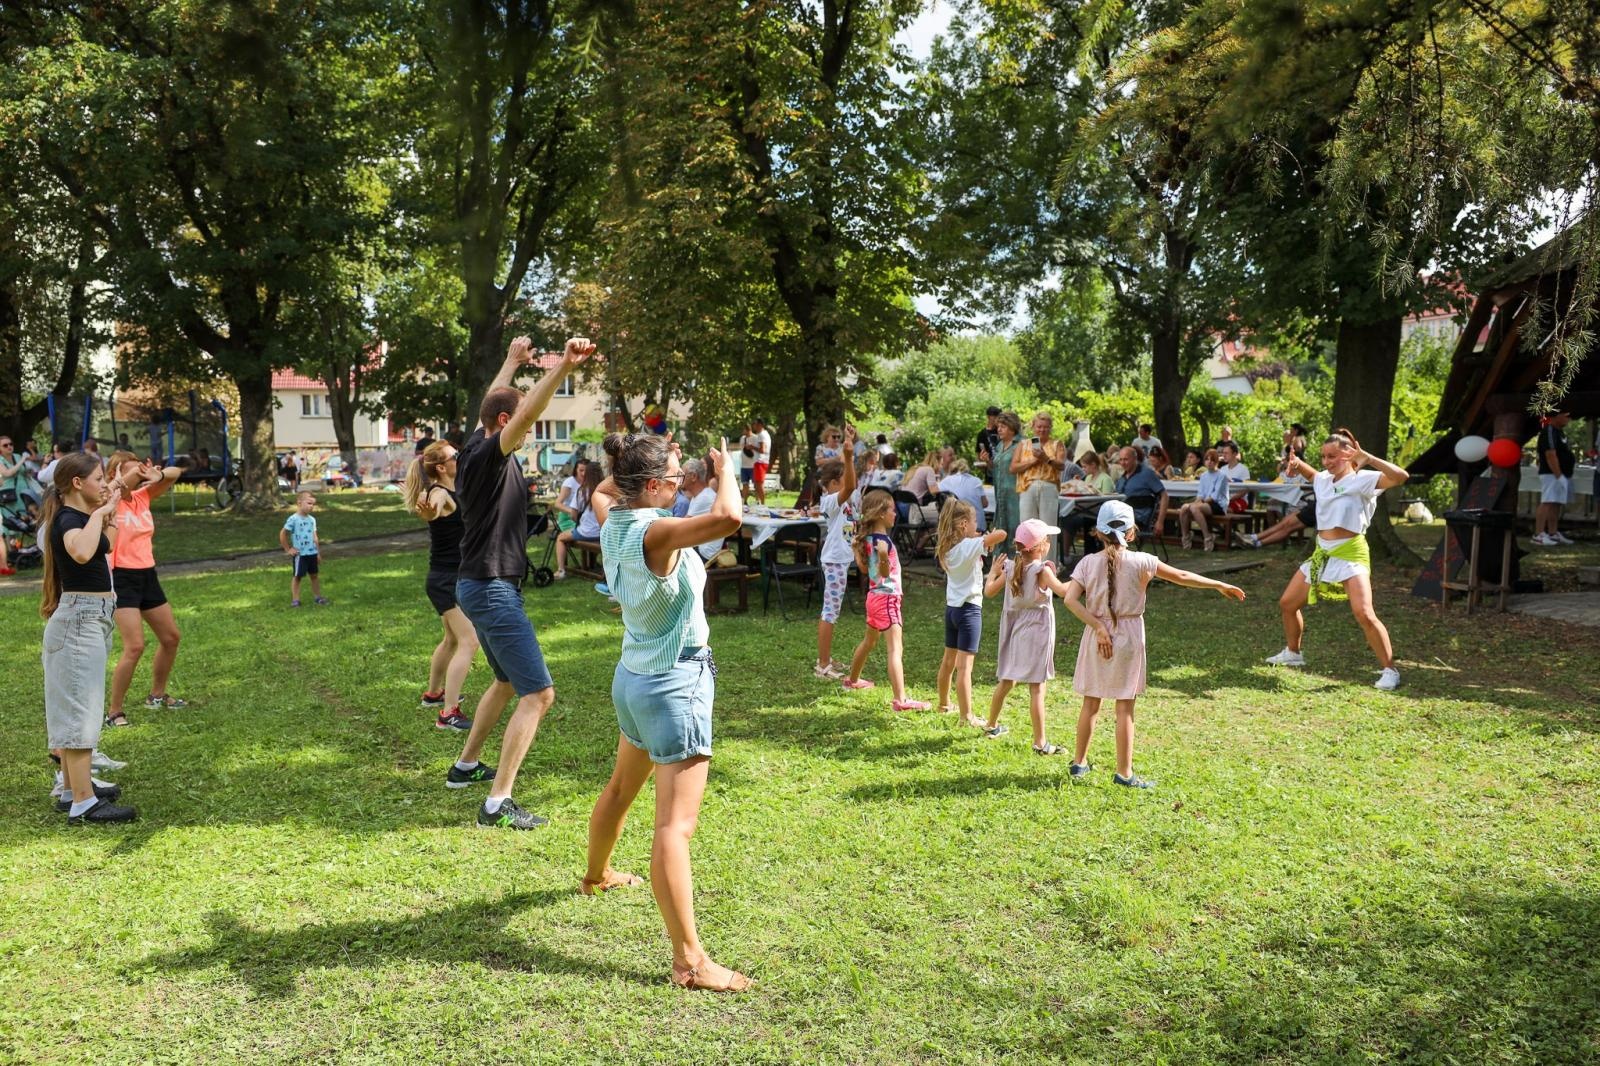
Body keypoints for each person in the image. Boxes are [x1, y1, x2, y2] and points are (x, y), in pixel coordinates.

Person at [582, 432, 752, 992]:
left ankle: (598, 874)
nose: (685, 487)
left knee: (618, 791)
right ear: (652, 486)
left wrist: (640, 457)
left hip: (633, 677)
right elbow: (729, 517)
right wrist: (727, 467)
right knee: (674, 829)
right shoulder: (656, 532)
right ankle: (691, 962)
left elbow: (608, 486)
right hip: (672, 684)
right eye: (676, 480)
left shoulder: (612, 517)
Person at [449, 335, 593, 830]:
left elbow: (498, 401)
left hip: (476, 585)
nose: (529, 433)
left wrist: (510, 361)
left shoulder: (473, 446)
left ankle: (465, 766)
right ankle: (497, 803)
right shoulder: (489, 456)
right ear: (506, 426)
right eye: (520, 426)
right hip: (491, 587)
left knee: (507, 681)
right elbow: (523, 414)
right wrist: (562, 368)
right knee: (539, 693)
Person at [1061, 501, 1244, 788]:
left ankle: (1079, 763)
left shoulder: (1086, 563)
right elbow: (1182, 577)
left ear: (1097, 532)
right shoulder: (1143, 561)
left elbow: (1070, 599)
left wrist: (1097, 627)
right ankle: (1124, 773)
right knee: (1125, 707)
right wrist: (1218, 584)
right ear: (1131, 533)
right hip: (1129, 636)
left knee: (1091, 702)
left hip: (1097, 637)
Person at [1265, 428, 1409, 690]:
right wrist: (1297, 464)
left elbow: (1401, 477)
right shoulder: (1323, 479)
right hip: (1323, 552)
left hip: (1351, 553)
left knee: (1364, 613)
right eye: (1323, 457)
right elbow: (1313, 474)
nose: (1327, 462)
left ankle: (1390, 669)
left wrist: (1370, 458)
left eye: (1332, 456)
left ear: (1348, 454)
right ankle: (1293, 653)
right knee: (1287, 603)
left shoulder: (1363, 479)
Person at [40, 452, 136, 823]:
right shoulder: (67, 518)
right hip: (79, 620)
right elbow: (81, 552)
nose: (103, 483)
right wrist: (99, 513)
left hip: (91, 618)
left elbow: (104, 545)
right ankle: (83, 802)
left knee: (79, 704)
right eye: (98, 478)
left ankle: (70, 790)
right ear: (77, 484)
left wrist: (111, 508)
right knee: (81, 709)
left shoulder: (81, 516)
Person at [105, 452, 186, 728]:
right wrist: (131, 475)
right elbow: (117, 486)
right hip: (121, 578)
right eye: (133, 472)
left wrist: (157, 475)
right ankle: (114, 711)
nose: (139, 476)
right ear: (115, 474)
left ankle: (157, 695)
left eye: (140, 471)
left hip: (147, 575)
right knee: (135, 646)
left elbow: (177, 471)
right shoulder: (108, 500)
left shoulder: (143, 497)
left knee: (171, 637)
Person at [404, 440, 478, 732]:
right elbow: (432, 510)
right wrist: (427, 512)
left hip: (447, 577)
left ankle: (434, 694)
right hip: (446, 580)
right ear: (441, 466)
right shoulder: (438, 492)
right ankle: (449, 713)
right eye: (454, 456)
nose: (459, 458)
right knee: (470, 641)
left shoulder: (455, 489)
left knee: (451, 640)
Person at [982, 518, 1071, 753]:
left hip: (1013, 632)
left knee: (1007, 680)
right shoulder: (1042, 571)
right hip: (1037, 634)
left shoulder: (1011, 567)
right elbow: (1063, 591)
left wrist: (991, 572)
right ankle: (1040, 742)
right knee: (1037, 689)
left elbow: (989, 591)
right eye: (1047, 540)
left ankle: (991, 724)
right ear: (1041, 547)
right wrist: (1086, 577)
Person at [840, 492, 930, 710]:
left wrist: (855, 551)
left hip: (873, 598)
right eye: (891, 509)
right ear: (880, 514)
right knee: (895, 650)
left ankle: (852, 681)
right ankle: (901, 700)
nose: (895, 513)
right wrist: (882, 557)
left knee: (869, 641)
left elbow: (863, 569)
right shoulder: (883, 543)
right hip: (887, 598)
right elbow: (883, 572)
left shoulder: (868, 540)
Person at [935, 499, 1008, 729]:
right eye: (975, 521)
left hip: (952, 610)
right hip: (969, 611)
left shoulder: (948, 549)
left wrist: (976, 537)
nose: (978, 524)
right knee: (964, 668)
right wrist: (985, 535)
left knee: (948, 661)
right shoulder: (969, 546)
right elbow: (1002, 535)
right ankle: (966, 716)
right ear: (963, 524)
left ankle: (944, 703)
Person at [812, 427, 859, 680]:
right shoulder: (831, 500)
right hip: (834, 561)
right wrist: (848, 458)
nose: (849, 482)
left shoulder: (842, 500)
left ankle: (826, 659)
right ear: (832, 484)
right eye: (842, 480)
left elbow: (851, 481)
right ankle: (822, 665)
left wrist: (849, 446)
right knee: (829, 612)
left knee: (832, 611)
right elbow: (851, 485)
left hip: (840, 559)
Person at [1011, 411, 1067, 557]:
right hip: (1028, 486)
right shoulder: (1023, 445)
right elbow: (1013, 468)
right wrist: (1033, 461)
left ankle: (1048, 565)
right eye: (1039, 427)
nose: (1042, 430)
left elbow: (1061, 465)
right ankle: (1025, 563)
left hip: (1048, 486)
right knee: (1027, 526)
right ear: (1033, 427)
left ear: (1050, 428)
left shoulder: (1057, 444)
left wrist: (1046, 459)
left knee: (1048, 527)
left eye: (1046, 427)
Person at [554, 459, 604, 579]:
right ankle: (592, 565)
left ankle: (561, 570)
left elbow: (573, 515)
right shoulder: (606, 491)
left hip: (585, 532)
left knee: (560, 538)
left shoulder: (582, 491)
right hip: (603, 533)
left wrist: (579, 522)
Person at [1534, 411, 1575, 546]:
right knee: (1547, 501)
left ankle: (1553, 532)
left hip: (1562, 473)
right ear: (1556, 416)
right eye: (1566, 415)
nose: (1568, 419)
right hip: (1551, 473)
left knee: (1555, 502)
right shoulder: (1549, 431)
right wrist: (1558, 475)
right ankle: (1538, 534)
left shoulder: (1560, 432)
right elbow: (1550, 454)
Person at [280, 491, 328, 606]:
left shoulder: (312, 520)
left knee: (314, 575)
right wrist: (288, 549)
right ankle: (295, 600)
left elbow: (315, 537)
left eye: (313, 504)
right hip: (300, 554)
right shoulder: (293, 519)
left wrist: (318, 553)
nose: (311, 506)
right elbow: (283, 533)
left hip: (312, 553)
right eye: (309, 503)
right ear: (299, 503)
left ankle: (317, 597)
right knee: (298, 576)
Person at [1176, 448, 1230, 551]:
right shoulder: (1204, 476)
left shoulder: (1222, 476)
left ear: (1216, 462)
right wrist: (1194, 503)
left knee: (1195, 508)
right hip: (1204, 503)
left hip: (1218, 504)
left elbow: (1215, 496)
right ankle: (1186, 536)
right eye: (1207, 459)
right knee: (1184, 508)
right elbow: (1200, 494)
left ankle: (1207, 537)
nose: (1209, 462)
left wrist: (1197, 504)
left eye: (1212, 460)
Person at [680, 459, 731, 564]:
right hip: (701, 548)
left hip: (705, 553)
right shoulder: (700, 496)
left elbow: (681, 526)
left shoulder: (704, 497)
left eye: (682, 475)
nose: (679, 479)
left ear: (693, 476)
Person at [1114, 446, 1167, 534]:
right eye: (1121, 460)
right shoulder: (1122, 478)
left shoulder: (1146, 474)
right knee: (1092, 520)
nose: (1123, 463)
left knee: (1106, 524)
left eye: (1126, 459)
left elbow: (1164, 495)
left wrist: (1160, 522)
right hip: (1121, 515)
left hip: (1139, 519)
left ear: (1135, 459)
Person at [989, 412, 1022, 549]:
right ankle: (1000, 564)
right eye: (998, 426)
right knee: (1000, 526)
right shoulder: (1000, 445)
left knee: (1014, 527)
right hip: (1000, 494)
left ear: (1012, 427)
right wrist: (988, 462)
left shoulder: (1021, 444)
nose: (999, 429)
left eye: (1003, 426)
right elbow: (996, 468)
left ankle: (1015, 563)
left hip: (1015, 495)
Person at [937, 459, 987, 530]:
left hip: (958, 527)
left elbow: (935, 490)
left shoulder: (947, 480)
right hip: (978, 526)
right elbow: (985, 504)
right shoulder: (976, 480)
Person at [553, 457, 589, 536]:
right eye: (581, 470)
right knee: (589, 532)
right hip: (568, 518)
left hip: (584, 518)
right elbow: (557, 504)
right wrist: (573, 512)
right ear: (576, 470)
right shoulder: (570, 482)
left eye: (586, 471)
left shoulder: (589, 483)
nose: (583, 473)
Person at [740, 418, 772, 505]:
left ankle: (762, 504)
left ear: (760, 425)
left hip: (760, 461)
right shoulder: (764, 434)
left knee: (759, 485)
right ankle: (760, 503)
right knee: (758, 484)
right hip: (761, 462)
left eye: (755, 424)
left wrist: (752, 447)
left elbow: (762, 450)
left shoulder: (761, 435)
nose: (754, 426)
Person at [975, 406, 1001, 477]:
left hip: (1002, 468)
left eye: (998, 416)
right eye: (995, 416)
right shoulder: (982, 434)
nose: (997, 419)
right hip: (990, 471)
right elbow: (978, 454)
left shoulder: (1001, 430)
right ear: (989, 417)